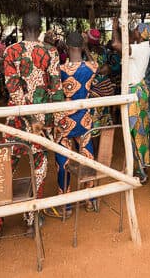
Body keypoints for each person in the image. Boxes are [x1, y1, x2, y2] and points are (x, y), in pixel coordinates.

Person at [0, 11, 64, 235]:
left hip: (16, 120)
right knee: (39, 168)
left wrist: (27, 116)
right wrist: (56, 121)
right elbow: (56, 89)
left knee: (6, 168)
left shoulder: (10, 51)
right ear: (40, 30)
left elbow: (13, 88)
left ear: (21, 26)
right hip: (41, 121)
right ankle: (31, 219)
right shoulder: (51, 52)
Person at [52, 32, 98, 210]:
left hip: (65, 121)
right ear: (81, 46)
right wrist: (86, 47)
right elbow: (93, 61)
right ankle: (90, 198)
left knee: (63, 160)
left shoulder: (60, 70)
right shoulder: (92, 67)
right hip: (84, 119)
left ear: (67, 48)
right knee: (87, 157)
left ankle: (67, 202)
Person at [111, 20, 150, 183]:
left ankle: (141, 171)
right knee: (137, 131)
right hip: (137, 91)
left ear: (140, 34)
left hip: (135, 92)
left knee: (135, 132)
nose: (133, 30)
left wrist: (115, 30)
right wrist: (122, 27)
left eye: (136, 29)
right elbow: (126, 38)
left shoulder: (140, 49)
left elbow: (116, 44)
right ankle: (140, 166)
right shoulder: (141, 46)